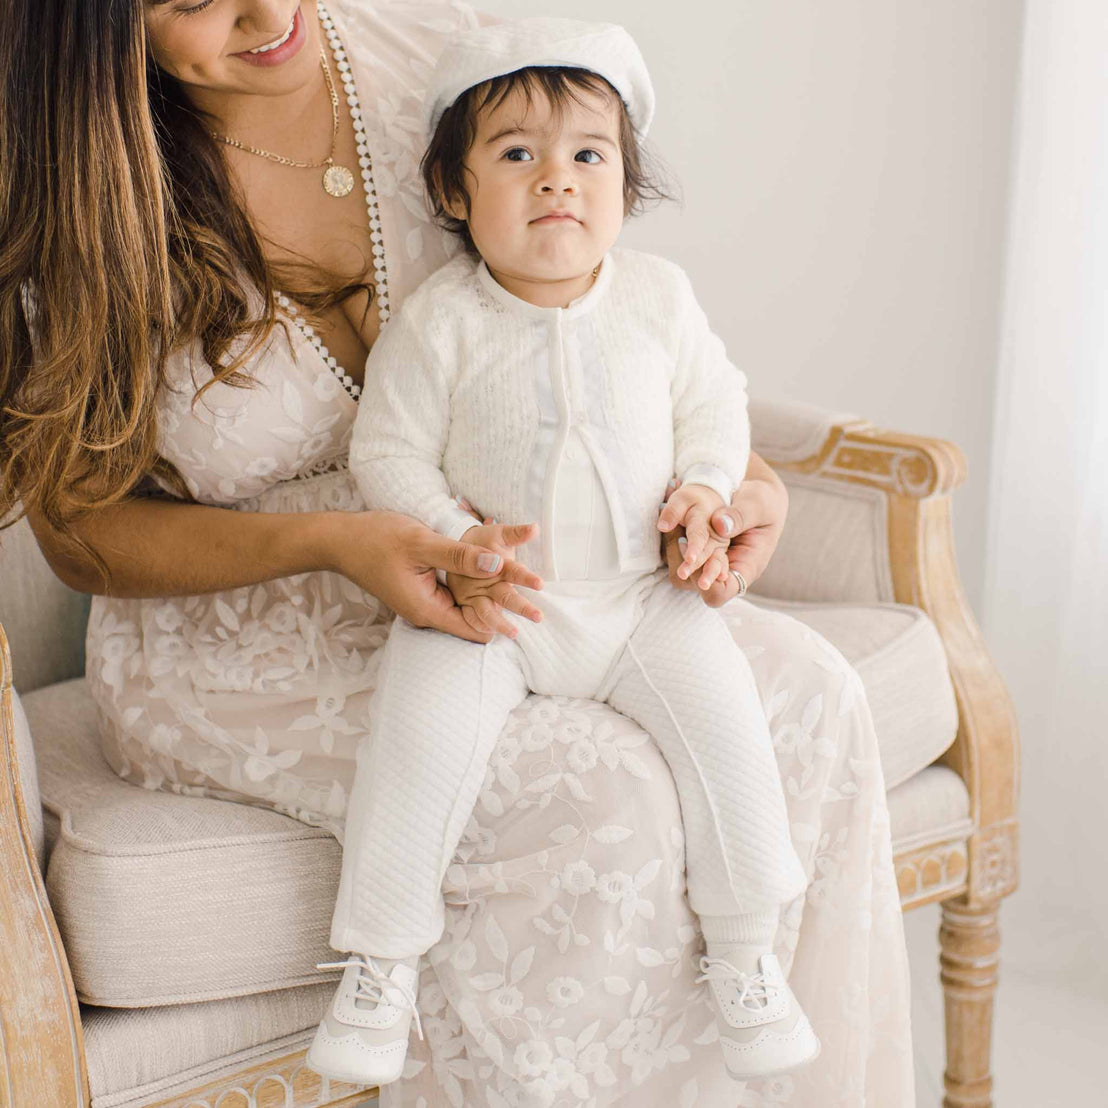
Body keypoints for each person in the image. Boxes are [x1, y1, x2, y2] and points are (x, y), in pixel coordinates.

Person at [0, 1, 914, 1104]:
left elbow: (616, 326)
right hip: (256, 629)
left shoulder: (446, 49)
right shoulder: (82, 186)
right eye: (193, 1)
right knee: (602, 793)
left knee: (813, 699)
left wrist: (734, 490)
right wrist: (336, 541)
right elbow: (81, 533)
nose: (263, 10)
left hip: (545, 573)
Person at [312, 17, 818, 1088]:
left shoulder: (657, 300)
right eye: (515, 155)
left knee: (729, 737)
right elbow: (386, 450)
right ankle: (378, 966)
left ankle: (746, 954)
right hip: (499, 605)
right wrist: (455, 533)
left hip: (644, 598)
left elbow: (713, 410)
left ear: (624, 186)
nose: (557, 181)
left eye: (588, 155)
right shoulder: (442, 320)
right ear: (453, 192)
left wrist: (704, 488)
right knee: (415, 743)